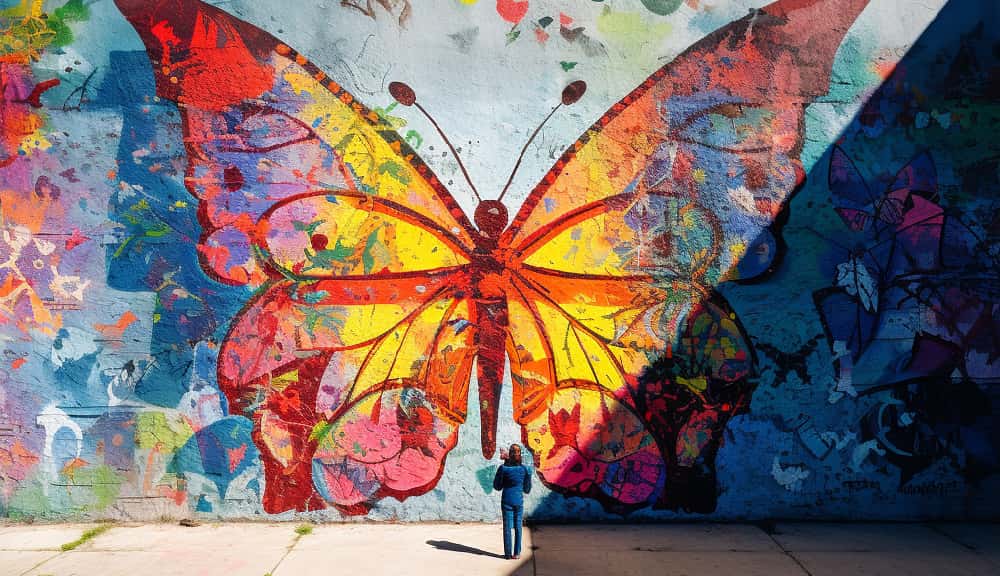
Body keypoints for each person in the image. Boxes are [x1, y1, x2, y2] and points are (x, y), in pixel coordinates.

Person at [493, 443, 532, 560]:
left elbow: (497, 487)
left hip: (506, 500)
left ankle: (508, 554)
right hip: (518, 501)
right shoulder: (525, 469)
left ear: (509, 454)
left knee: (507, 527)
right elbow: (527, 490)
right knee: (518, 526)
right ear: (520, 455)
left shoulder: (503, 469)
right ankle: (517, 553)